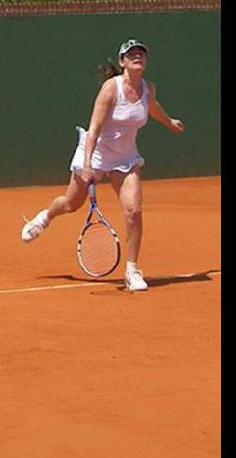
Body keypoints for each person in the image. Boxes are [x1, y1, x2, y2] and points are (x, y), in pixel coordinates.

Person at [20, 38, 184, 291]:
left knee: (134, 211)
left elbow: (153, 108)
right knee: (71, 203)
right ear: (122, 62)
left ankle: (132, 270)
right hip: (94, 154)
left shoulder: (148, 88)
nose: (137, 57)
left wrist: (169, 121)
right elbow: (94, 129)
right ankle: (44, 218)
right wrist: (87, 164)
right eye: (131, 54)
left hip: (125, 158)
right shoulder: (111, 88)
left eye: (141, 53)